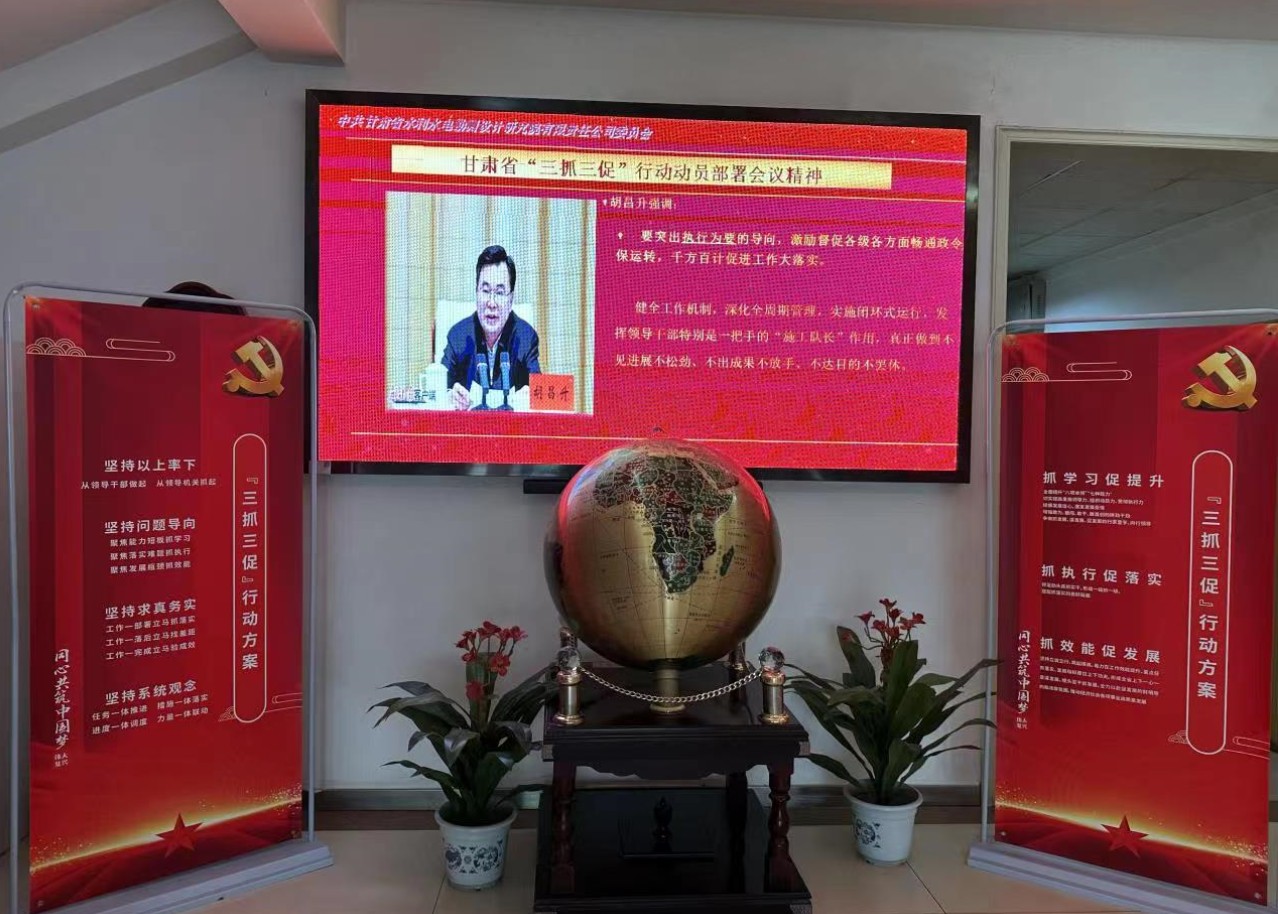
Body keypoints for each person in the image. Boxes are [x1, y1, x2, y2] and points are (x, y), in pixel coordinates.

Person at [442, 245, 541, 410]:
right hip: (468, 424)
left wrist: (530, 395)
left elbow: (538, 390)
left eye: (500, 293)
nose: (491, 303)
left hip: (511, 425)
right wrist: (449, 395)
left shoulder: (526, 337)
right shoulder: (458, 336)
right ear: (476, 292)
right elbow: (440, 386)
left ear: (511, 300)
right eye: (486, 291)